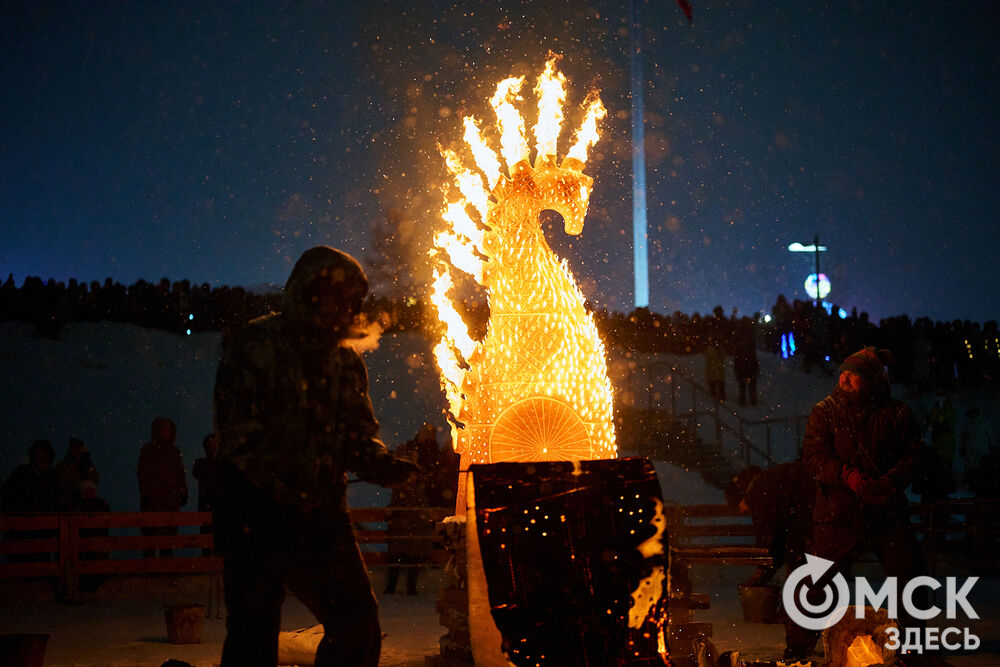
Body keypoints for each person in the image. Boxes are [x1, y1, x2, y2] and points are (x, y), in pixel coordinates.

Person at [212, 245, 419, 667]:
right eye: (340, 298)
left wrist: (381, 464)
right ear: (310, 292)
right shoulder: (256, 345)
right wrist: (284, 483)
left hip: (322, 516)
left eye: (354, 301)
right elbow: (237, 434)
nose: (349, 309)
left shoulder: (344, 361)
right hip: (256, 513)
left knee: (357, 625)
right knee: (253, 634)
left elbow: (358, 433)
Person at [801, 346, 926, 661]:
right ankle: (799, 647)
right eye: (843, 372)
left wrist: (890, 481)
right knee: (818, 582)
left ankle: (911, 647)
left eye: (853, 375)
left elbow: (914, 456)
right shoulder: (825, 411)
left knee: (909, 578)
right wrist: (847, 475)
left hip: (886, 509)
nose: (845, 379)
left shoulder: (898, 413)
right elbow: (814, 457)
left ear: (871, 381)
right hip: (838, 512)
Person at [725, 461, 815, 658]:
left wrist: (762, 570)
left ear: (741, 495)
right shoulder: (769, 482)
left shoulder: (758, 491)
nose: (741, 512)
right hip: (810, 516)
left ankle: (799, 637)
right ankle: (798, 626)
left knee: (800, 572)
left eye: (737, 505)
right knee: (802, 569)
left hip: (808, 522)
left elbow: (768, 538)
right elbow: (777, 536)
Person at [384, 424, 438, 596]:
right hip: (404, 507)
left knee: (415, 549)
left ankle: (411, 586)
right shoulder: (408, 448)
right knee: (398, 548)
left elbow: (431, 473)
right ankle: (392, 586)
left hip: (416, 508)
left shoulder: (431, 452)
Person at [137, 417, 188, 557]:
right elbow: (142, 472)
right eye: (164, 428)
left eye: (169, 429)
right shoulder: (149, 450)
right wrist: (146, 492)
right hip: (153, 501)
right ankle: (149, 569)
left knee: (168, 536)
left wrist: (183, 492)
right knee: (150, 535)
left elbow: (179, 474)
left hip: (170, 501)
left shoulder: (174, 451)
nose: (167, 431)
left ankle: (167, 569)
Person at [2, 440, 59, 562]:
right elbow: (6, 495)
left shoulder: (52, 475)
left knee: (41, 562)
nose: (42, 459)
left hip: (43, 530)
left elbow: (57, 499)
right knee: (20, 562)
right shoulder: (22, 473)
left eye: (45, 455)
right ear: (33, 457)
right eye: (39, 455)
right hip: (20, 530)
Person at [192, 433, 221, 555]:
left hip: (216, 505)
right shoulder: (201, 464)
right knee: (207, 538)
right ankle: (208, 563)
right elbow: (198, 473)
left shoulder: (207, 465)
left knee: (217, 536)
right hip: (207, 504)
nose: (213, 447)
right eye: (211, 444)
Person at [55, 436, 100, 510]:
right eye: (74, 447)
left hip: (86, 504)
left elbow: (95, 480)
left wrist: (86, 463)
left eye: (79, 448)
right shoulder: (64, 466)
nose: (77, 450)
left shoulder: (87, 465)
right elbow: (61, 482)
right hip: (67, 503)